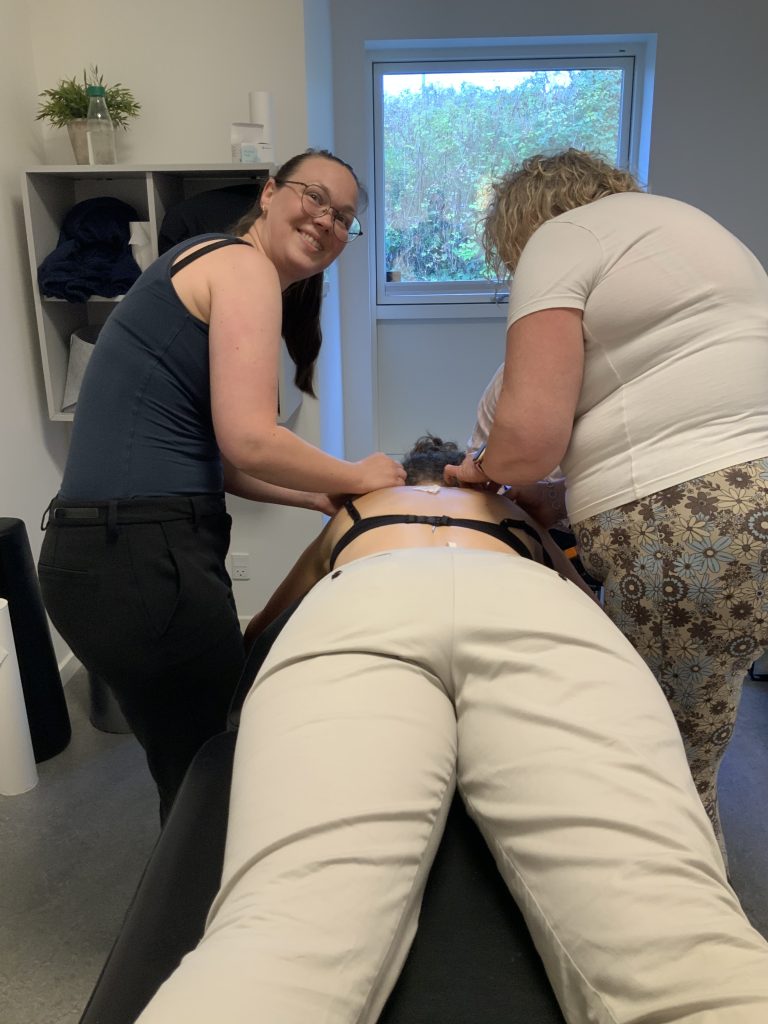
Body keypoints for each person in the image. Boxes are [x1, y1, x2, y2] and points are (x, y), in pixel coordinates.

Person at [134, 435, 768, 1024]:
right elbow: (581, 594)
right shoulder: (510, 513)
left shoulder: (359, 510)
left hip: (364, 596)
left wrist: (255, 697)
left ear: (404, 477)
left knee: (288, 929)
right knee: (671, 928)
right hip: (529, 599)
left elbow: (267, 622)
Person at [37, 148, 405, 819]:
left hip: (96, 557)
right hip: (140, 558)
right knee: (214, 777)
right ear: (268, 193)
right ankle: (205, 885)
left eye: (344, 217)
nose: (327, 221)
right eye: (314, 197)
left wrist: (314, 495)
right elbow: (252, 439)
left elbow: (221, 461)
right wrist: (358, 473)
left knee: (192, 769)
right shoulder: (242, 267)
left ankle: (197, 874)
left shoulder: (206, 262)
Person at [445, 148, 768, 851]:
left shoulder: (561, 239)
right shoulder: (683, 229)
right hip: (748, 505)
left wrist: (481, 471)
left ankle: (671, 908)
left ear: (520, 226)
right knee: (697, 741)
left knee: (656, 766)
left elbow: (526, 443)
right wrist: (559, 497)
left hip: (693, 528)